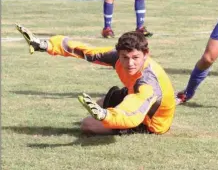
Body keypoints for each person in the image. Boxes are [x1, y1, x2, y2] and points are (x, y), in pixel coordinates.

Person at [16, 24, 175, 135]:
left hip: (151, 122)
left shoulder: (148, 82)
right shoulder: (117, 57)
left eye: (135, 57)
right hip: (133, 94)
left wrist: (107, 116)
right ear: (118, 54)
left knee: (88, 125)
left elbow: (134, 111)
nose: (130, 63)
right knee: (99, 103)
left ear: (146, 54)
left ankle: (120, 123)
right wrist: (46, 45)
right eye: (125, 57)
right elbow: (87, 51)